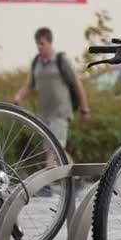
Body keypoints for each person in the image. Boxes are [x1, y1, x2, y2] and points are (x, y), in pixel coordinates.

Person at [14, 27, 92, 156]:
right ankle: (74, 175)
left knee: (54, 150)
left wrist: (85, 109)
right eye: (37, 44)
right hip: (44, 114)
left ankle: (59, 176)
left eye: (42, 43)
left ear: (50, 43)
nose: (39, 47)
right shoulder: (36, 62)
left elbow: (77, 84)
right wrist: (19, 97)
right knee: (52, 150)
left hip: (60, 112)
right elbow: (29, 85)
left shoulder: (61, 61)